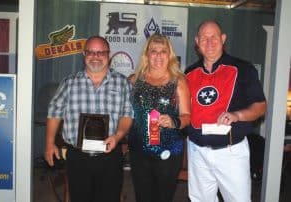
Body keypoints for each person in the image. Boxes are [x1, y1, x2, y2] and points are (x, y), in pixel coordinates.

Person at [184, 20, 267, 202]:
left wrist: (237, 115)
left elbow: (260, 106)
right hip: (197, 151)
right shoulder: (188, 74)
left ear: (223, 39)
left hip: (231, 153)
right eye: (204, 38)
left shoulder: (243, 69)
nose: (209, 42)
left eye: (214, 37)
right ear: (197, 41)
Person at [44, 35, 133, 202]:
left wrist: (118, 135)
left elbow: (128, 115)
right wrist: (49, 143)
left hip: (110, 156)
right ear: (84, 55)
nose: (96, 57)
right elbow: (54, 112)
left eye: (101, 52)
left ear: (109, 55)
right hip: (78, 157)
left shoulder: (123, 84)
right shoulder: (69, 82)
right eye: (91, 52)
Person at [128, 33, 191, 202]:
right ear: (146, 54)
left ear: (169, 55)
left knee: (163, 197)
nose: (158, 55)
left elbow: (187, 117)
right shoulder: (134, 80)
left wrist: (174, 121)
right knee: (142, 197)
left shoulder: (178, 81)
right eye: (153, 50)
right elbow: (125, 114)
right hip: (138, 150)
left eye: (163, 51)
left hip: (168, 151)